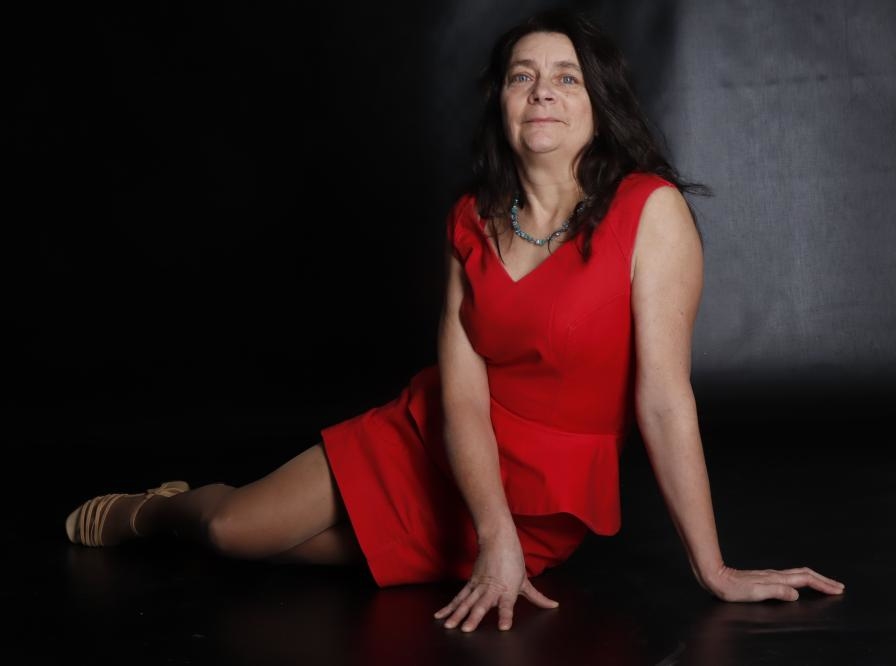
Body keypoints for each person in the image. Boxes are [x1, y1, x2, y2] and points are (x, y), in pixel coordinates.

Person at [64, 9, 845, 632]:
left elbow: (664, 401)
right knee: (232, 531)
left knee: (300, 551)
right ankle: (154, 511)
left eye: (566, 77)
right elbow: (463, 395)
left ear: (598, 105)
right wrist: (493, 535)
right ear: (502, 103)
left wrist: (712, 567)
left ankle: (218, 515)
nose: (542, 91)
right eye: (522, 76)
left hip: (545, 503)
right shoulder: (470, 219)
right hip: (435, 444)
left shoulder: (650, 211)